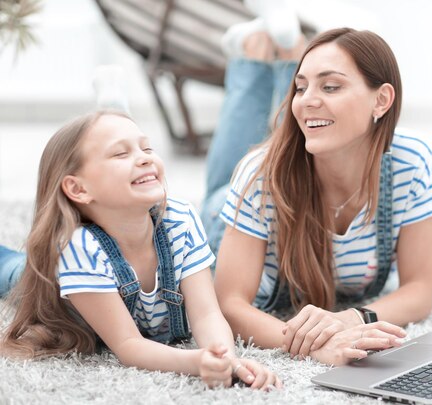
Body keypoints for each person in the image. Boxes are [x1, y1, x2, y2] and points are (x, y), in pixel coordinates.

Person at [203, 26, 432, 366]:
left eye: (330, 86)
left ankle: (286, 51)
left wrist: (350, 318)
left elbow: (420, 291)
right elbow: (228, 304)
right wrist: (307, 344)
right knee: (227, 174)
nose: (305, 101)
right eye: (300, 87)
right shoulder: (258, 175)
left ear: (381, 100)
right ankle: (253, 52)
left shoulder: (412, 162)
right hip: (224, 217)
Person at [0, 111, 281, 390]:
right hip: (55, 281)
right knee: (16, 271)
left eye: (147, 148)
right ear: (78, 188)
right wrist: (195, 362)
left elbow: (207, 314)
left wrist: (224, 359)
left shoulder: (180, 220)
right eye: (121, 154)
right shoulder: (78, 248)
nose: (145, 157)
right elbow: (128, 344)